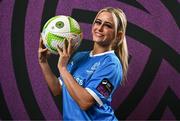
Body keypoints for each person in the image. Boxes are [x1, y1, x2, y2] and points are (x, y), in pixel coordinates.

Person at [38, 7, 128, 120]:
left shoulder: (111, 65)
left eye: (107, 25)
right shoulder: (79, 56)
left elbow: (85, 102)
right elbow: (58, 90)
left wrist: (62, 67)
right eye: (98, 22)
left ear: (118, 35)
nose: (99, 28)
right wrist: (43, 62)